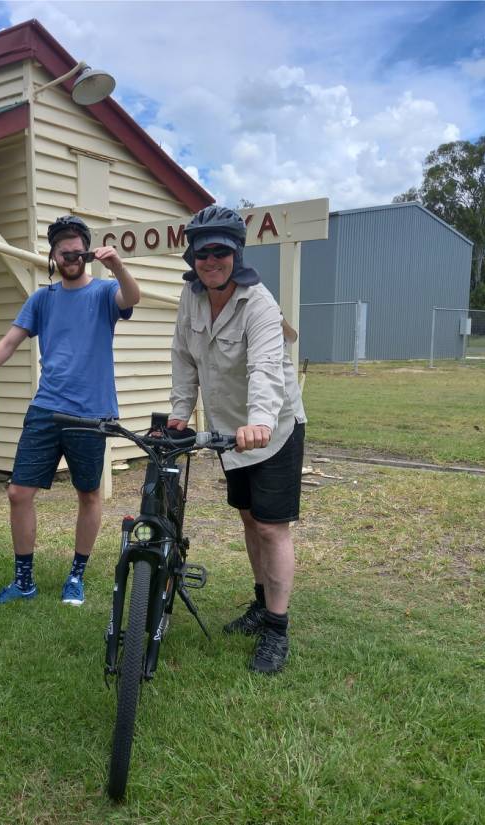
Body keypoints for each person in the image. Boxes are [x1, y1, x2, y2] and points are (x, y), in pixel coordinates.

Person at [0, 215, 140, 608]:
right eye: (62, 248)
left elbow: (132, 298)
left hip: (91, 413)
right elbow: (6, 344)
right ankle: (23, 582)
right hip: (46, 409)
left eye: (76, 246)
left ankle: (76, 577)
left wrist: (117, 265)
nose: (70, 253)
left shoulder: (104, 292)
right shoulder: (42, 299)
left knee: (88, 494)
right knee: (18, 493)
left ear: (86, 252)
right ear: (52, 255)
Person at [167, 205, 306, 675]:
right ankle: (261, 604)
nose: (211, 261)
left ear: (236, 253)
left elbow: (266, 368)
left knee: (272, 526)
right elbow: (184, 357)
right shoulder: (191, 298)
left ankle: (277, 629)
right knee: (249, 520)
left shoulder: (259, 303)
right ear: (192, 257)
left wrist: (261, 421)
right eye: (202, 253)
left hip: (272, 428)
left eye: (220, 252)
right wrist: (179, 415)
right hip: (229, 431)